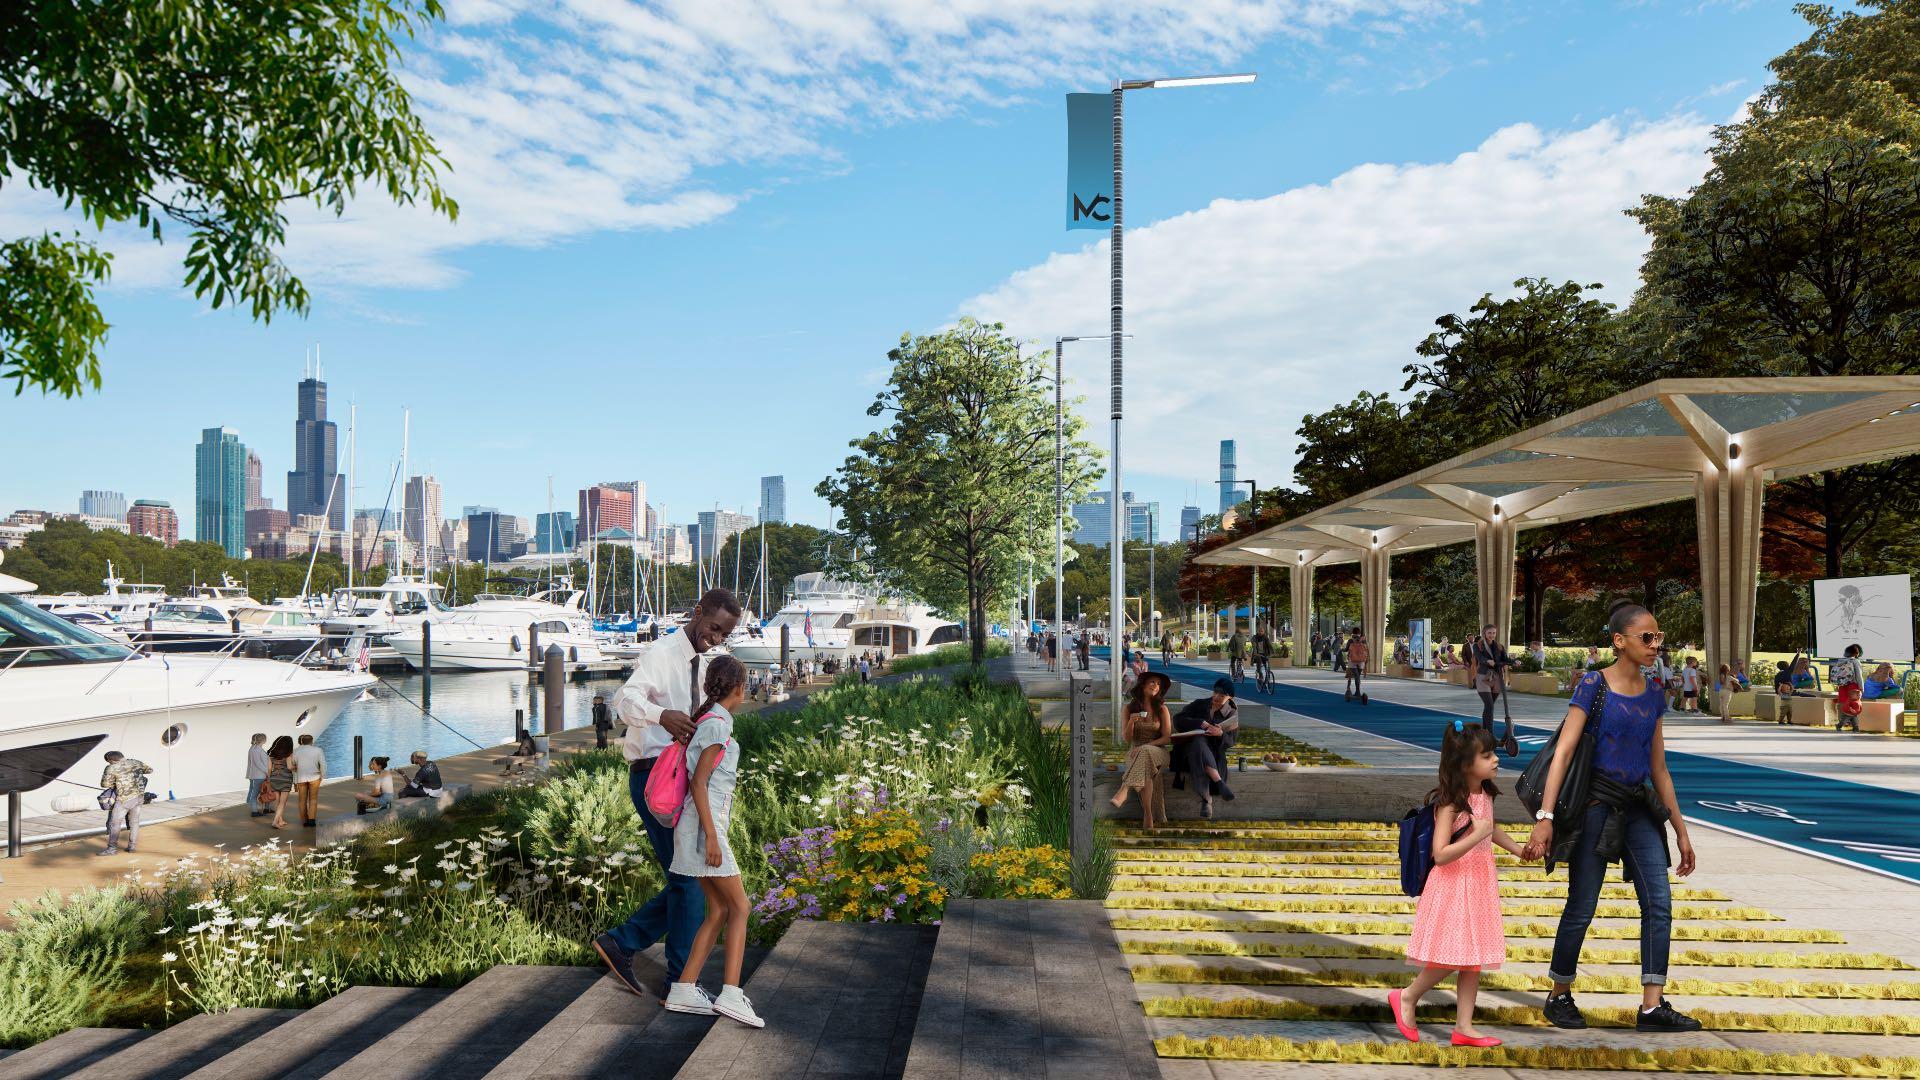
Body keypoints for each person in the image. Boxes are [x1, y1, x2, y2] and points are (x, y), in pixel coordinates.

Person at [1520, 598, 1701, 1034]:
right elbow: (1564, 751)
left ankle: (1652, 1007)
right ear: (1619, 641)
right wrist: (1545, 815)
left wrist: (1681, 831)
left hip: (1639, 809)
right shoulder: (1593, 685)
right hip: (1594, 806)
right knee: (1582, 906)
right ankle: (1559, 993)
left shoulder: (1655, 693)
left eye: (1658, 637)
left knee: (1659, 903)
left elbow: (1659, 767)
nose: (1655, 644)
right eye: (1647, 637)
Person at [595, 588, 743, 1000]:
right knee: (689, 879)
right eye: (713, 628)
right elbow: (625, 701)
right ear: (697, 613)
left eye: (724, 634)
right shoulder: (661, 654)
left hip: (682, 782)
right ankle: (678, 980)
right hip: (657, 780)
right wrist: (663, 715)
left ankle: (628, 946)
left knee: (687, 878)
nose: (715, 638)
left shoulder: (708, 662)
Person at [1389, 722, 1521, 1047]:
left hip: (1477, 884)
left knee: (1472, 958)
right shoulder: (1450, 803)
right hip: (1452, 886)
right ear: (1464, 764)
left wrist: (1520, 850)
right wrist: (1476, 834)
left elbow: (1490, 828)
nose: (1495, 760)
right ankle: (1407, 996)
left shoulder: (1483, 794)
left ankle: (1464, 1026)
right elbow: (1441, 853)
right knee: (1451, 957)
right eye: (1487, 755)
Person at [662, 655, 762, 1027]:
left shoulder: (711, 721)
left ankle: (684, 987)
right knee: (740, 907)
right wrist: (712, 839)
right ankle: (732, 993)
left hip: (697, 829)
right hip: (704, 831)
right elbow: (699, 783)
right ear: (739, 687)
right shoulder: (717, 726)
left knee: (719, 910)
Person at [1109, 670, 1172, 829]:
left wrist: (1146, 745)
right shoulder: (1129, 709)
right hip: (1135, 752)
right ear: (1143, 685)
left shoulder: (1162, 709)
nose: (1156, 686)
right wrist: (1131, 722)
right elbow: (1127, 739)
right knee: (1145, 770)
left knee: (1145, 752)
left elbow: (1167, 738)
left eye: (1158, 684)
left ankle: (1125, 789)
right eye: (1152, 682)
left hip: (1159, 751)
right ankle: (1148, 816)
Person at [1171, 678, 1238, 818]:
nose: (1216, 697)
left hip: (1213, 754)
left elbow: (1231, 741)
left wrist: (1220, 734)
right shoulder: (1199, 704)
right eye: (1215, 693)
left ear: (1230, 697)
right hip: (1187, 750)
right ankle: (1218, 782)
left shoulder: (1231, 714)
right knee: (1198, 740)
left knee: (1199, 743)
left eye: (1222, 695)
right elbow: (1178, 719)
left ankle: (1207, 799)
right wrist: (1200, 723)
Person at [97, 750, 152, 856]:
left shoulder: (111, 768)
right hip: (139, 797)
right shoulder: (136, 762)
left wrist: (117, 780)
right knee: (134, 822)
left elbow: (104, 784)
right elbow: (150, 770)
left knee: (115, 824)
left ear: (112, 760)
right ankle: (132, 846)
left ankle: (112, 849)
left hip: (123, 800)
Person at [1469, 625, 1510, 728]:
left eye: (1494, 633)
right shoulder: (1477, 646)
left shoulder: (1499, 646)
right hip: (1483, 676)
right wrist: (1487, 661)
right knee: (1489, 705)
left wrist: (1514, 662)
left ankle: (1484, 731)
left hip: (1497, 678)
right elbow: (1480, 657)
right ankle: (1490, 734)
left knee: (1489, 707)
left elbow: (1505, 659)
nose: (1492, 635)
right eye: (1489, 633)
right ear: (1484, 634)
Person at [291, 733, 326, 828]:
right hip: (314, 777)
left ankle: (304, 820)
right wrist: (322, 776)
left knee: (302, 800)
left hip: (301, 778)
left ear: (302, 741)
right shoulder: (318, 750)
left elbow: (293, 765)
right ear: (312, 741)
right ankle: (312, 820)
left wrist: (295, 779)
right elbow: (323, 764)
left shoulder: (296, 751)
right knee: (313, 799)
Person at [265, 736, 295, 830]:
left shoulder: (271, 754)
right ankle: (275, 821)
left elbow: (269, 769)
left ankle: (280, 820)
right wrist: (296, 767)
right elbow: (290, 767)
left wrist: (268, 779)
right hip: (285, 779)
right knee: (282, 802)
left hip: (274, 778)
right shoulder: (288, 754)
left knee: (277, 801)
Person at [1833, 644, 1865, 732]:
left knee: (1842, 702)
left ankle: (1842, 722)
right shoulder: (1855, 661)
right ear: (1856, 653)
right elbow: (1859, 675)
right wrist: (1861, 687)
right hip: (1853, 684)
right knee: (1854, 704)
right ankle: (1854, 725)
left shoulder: (1840, 661)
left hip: (1842, 685)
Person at [245, 732, 270, 818]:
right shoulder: (256, 749)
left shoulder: (254, 748)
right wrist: (267, 772)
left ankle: (264, 809)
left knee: (256, 792)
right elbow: (258, 763)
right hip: (259, 775)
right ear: (263, 740)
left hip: (255, 774)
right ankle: (254, 811)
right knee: (255, 794)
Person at [1346, 629, 1370, 701]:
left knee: (1356, 675)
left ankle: (1357, 692)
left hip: (1352, 661)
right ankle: (1357, 692)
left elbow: (1347, 649)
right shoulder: (1363, 640)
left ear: (1353, 633)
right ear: (1360, 633)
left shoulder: (1350, 640)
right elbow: (1366, 650)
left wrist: (1341, 650)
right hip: (1361, 661)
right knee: (1358, 676)